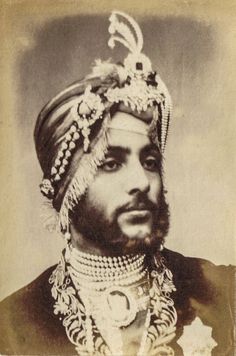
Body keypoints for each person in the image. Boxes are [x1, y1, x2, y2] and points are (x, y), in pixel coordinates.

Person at [0, 11, 234, 356]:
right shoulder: (14, 325)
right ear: (65, 192)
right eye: (111, 163)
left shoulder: (223, 292)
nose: (141, 181)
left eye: (150, 162)